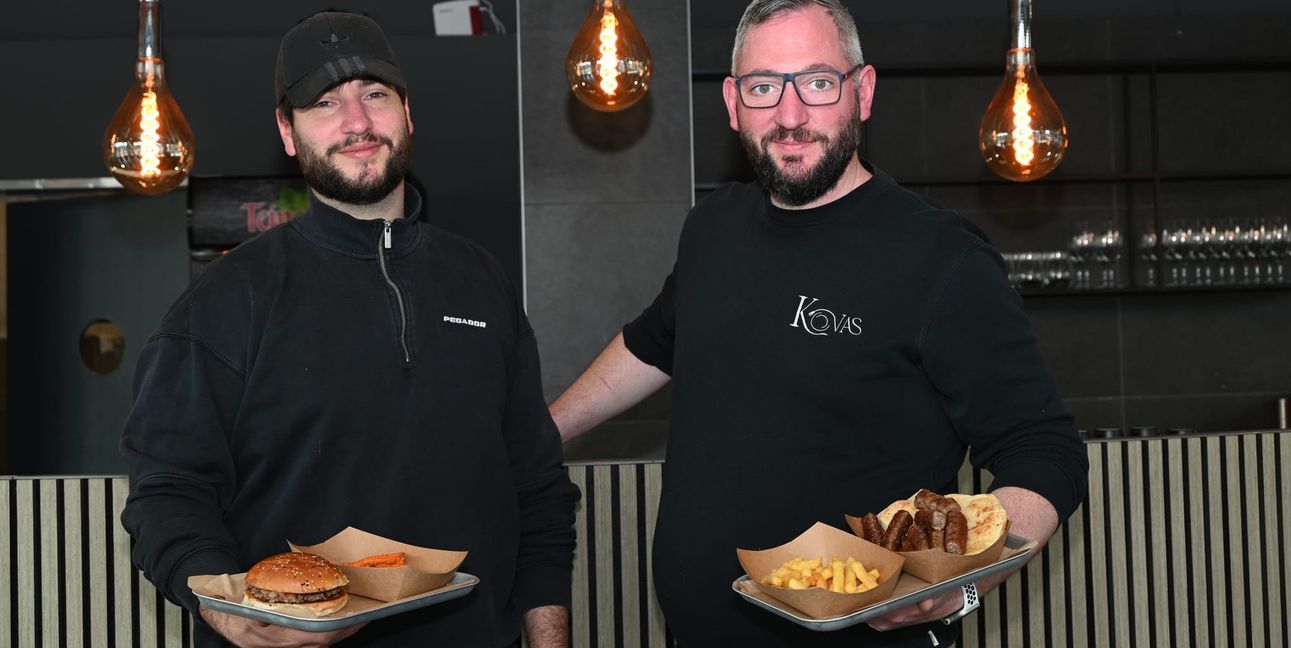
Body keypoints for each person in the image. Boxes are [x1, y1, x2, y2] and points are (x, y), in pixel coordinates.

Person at [548, 0, 1089, 645]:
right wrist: (540, 434)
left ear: (862, 92)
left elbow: (1044, 449)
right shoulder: (713, 228)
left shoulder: (942, 259)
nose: (790, 114)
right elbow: (654, 342)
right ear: (732, 102)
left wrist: (961, 587)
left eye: (817, 82)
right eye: (763, 87)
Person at [120, 11, 578, 648]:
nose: (356, 122)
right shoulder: (223, 301)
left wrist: (549, 638)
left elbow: (538, 488)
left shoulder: (483, 283)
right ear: (289, 131)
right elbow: (168, 491)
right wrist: (225, 609)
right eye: (324, 103)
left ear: (407, 113)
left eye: (374, 95)